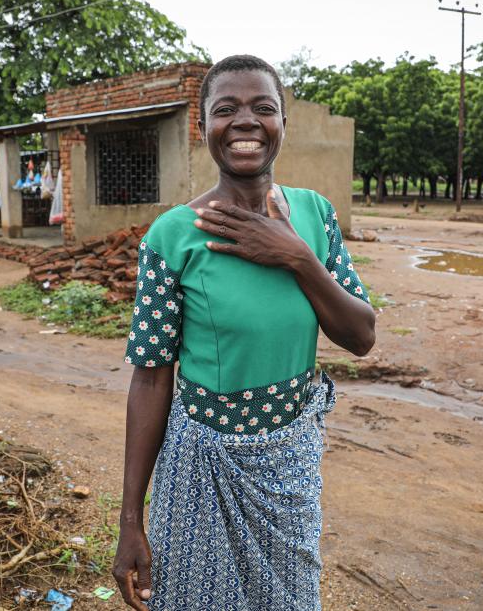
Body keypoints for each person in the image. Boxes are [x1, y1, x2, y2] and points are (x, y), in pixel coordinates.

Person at [112, 55, 376, 611]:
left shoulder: (315, 215)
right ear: (203, 126)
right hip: (200, 466)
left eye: (264, 107)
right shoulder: (173, 236)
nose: (246, 122)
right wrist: (130, 521)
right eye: (225, 109)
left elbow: (360, 335)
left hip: (289, 465)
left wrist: (298, 257)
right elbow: (152, 379)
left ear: (284, 122)